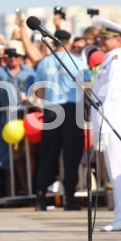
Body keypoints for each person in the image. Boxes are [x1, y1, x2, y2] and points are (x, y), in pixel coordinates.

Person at [91, 21, 121, 232]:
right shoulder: (109, 60)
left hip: (114, 123)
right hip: (109, 123)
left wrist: (103, 126)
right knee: (114, 170)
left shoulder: (117, 61)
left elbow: (111, 97)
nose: (102, 41)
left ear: (118, 40)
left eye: (106, 37)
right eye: (101, 37)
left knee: (120, 170)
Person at [32, 30, 86, 211]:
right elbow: (86, 87)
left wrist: (42, 106)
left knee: (48, 154)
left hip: (51, 109)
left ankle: (40, 196)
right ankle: (69, 197)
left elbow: (38, 89)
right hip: (72, 109)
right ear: (68, 42)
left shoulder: (44, 63)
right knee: (72, 156)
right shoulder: (76, 61)